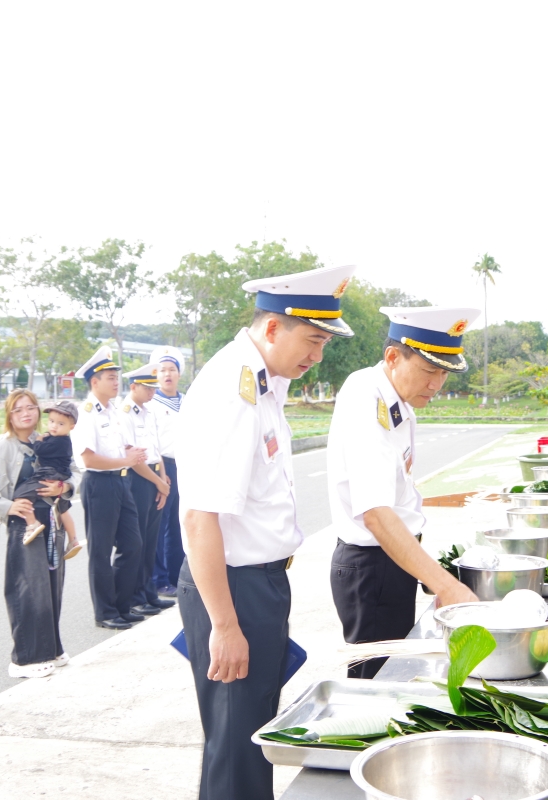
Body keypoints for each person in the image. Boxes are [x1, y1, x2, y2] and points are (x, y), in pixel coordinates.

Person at [176, 263, 355, 800]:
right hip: (235, 587)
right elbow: (199, 517)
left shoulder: (261, 383)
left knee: (249, 742)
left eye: (324, 343)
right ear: (273, 327)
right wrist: (225, 625)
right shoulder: (232, 390)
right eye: (313, 340)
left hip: (258, 583)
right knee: (236, 751)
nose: (317, 356)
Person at [326, 306, 481, 679]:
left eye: (444, 373)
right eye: (429, 370)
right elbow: (377, 515)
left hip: (392, 560)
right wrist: (446, 585)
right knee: (375, 686)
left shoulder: (394, 399)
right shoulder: (368, 399)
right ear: (393, 357)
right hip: (372, 567)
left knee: (392, 677)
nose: (436, 384)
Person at [0, 391, 76, 679]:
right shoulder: (0, 445)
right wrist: (6, 506)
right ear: (9, 415)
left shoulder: (50, 438)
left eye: (31, 407)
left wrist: (65, 488)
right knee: (28, 590)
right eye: (18, 409)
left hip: (52, 518)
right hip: (24, 523)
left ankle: (52, 649)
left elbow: (73, 472)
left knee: (52, 587)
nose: (26, 413)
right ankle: (25, 658)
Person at [71, 346, 146, 630]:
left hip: (121, 481)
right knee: (100, 551)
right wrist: (125, 459)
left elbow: (123, 447)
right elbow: (88, 459)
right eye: (110, 378)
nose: (116, 382)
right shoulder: (86, 413)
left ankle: (121, 605)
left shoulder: (114, 411)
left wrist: (132, 454)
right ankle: (104, 612)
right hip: (99, 484)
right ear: (95, 382)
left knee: (132, 544)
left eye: (116, 377)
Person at [118, 362, 174, 617]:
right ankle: (135, 596)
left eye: (154, 388)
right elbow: (133, 458)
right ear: (134, 387)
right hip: (138, 478)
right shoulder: (125, 413)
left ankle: (149, 593)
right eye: (148, 388)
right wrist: (157, 482)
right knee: (137, 541)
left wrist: (163, 479)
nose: (153, 392)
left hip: (154, 475)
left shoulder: (149, 411)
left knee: (151, 540)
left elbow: (156, 449)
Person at [11, 402, 80, 554]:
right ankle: (73, 540)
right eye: (51, 421)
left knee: (20, 495)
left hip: (49, 475)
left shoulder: (59, 441)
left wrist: (38, 440)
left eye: (60, 424)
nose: (54, 426)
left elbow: (40, 450)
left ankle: (32, 524)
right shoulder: (59, 439)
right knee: (63, 509)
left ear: (71, 427)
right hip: (59, 477)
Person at [148, 345, 186, 597]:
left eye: (172, 369)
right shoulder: (152, 403)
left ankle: (176, 576)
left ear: (179, 373)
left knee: (177, 524)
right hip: (163, 466)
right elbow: (152, 441)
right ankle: (158, 579)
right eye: (162, 370)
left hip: (184, 465)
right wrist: (161, 473)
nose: (167, 374)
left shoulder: (187, 401)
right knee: (159, 526)